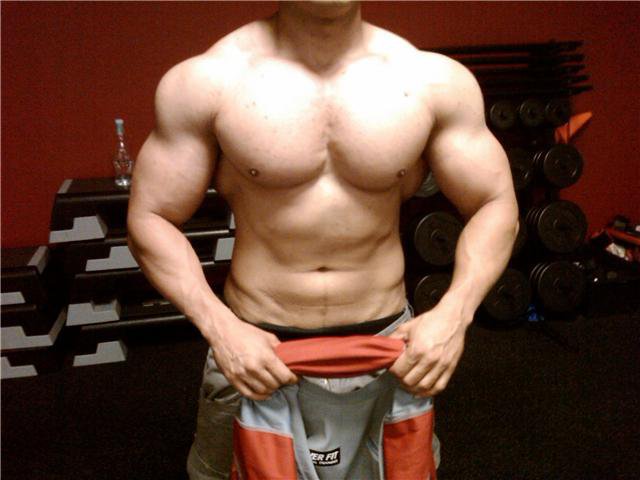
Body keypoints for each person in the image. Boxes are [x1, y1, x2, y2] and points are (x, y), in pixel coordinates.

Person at [126, 1, 519, 478]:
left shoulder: (431, 81)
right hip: (256, 350)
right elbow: (150, 217)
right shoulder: (208, 82)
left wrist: (455, 314)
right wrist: (220, 328)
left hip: (390, 347)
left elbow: (495, 202)